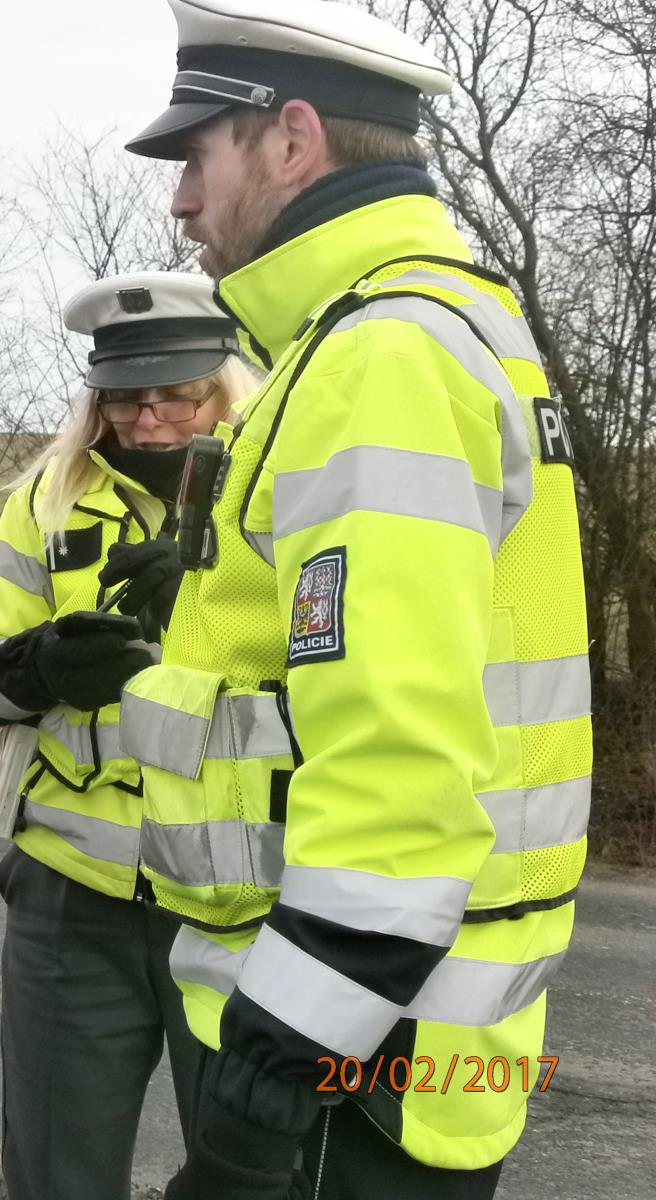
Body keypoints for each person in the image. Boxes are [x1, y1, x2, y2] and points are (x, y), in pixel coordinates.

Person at [116, 2, 591, 1198]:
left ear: (290, 140)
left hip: (351, 1049)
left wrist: (280, 1064)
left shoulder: (379, 352)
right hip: (404, 1027)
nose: (179, 199)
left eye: (195, 154)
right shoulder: (436, 321)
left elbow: (397, 749)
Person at [0, 271, 259, 1200]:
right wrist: (34, 667)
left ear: (228, 384)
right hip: (74, 898)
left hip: (240, 896)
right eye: (126, 398)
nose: (152, 420)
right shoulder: (47, 499)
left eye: (179, 394)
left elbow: (349, 671)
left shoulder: (286, 493)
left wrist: (212, 593)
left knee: (248, 1176)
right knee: (55, 1175)